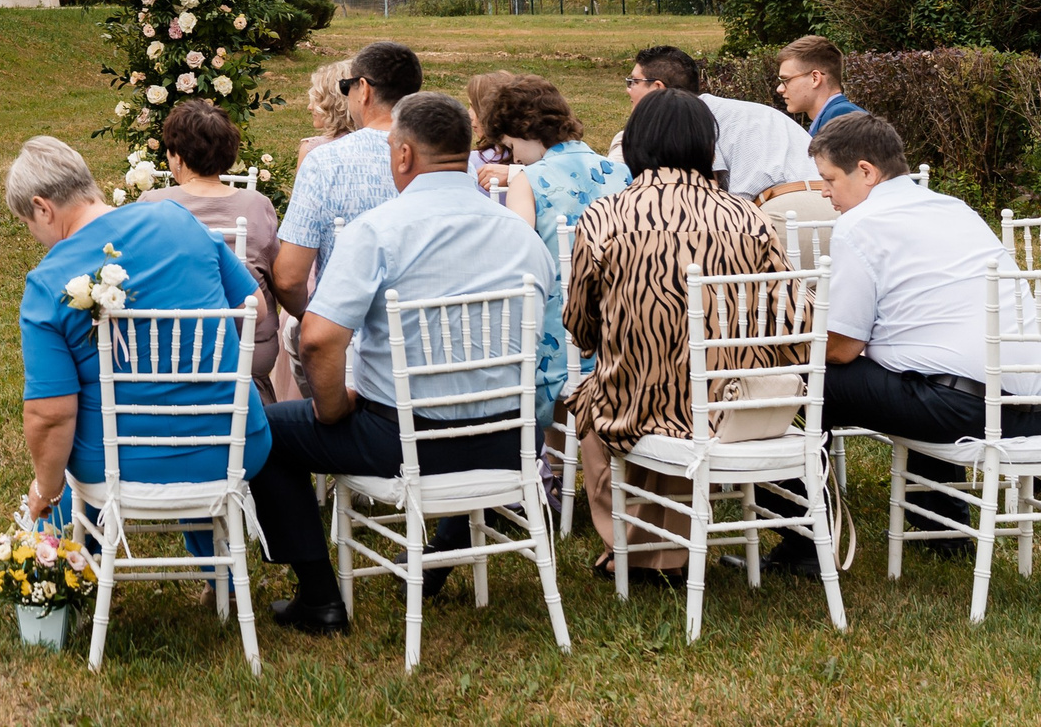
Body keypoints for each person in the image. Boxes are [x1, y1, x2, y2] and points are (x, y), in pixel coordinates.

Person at [248, 92, 554, 635]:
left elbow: (317, 339)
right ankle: (444, 549)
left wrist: (333, 408)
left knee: (262, 430)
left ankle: (319, 598)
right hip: (513, 441)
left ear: (404, 155)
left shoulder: (379, 230)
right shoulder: (521, 236)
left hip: (406, 444)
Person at [757, 113, 1041, 572]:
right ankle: (945, 531)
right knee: (918, 369)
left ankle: (805, 542)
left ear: (866, 171)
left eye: (829, 180)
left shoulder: (860, 224)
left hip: (961, 407)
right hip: (1028, 406)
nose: (825, 193)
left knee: (794, 383)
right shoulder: (954, 207)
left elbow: (842, 348)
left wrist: (779, 341)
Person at [563, 90, 795, 584]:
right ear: (706, 145)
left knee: (594, 397)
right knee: (674, 386)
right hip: (732, 406)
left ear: (635, 146)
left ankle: (639, 550)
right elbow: (791, 313)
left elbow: (580, 325)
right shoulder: (750, 216)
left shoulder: (605, 217)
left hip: (636, 404)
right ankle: (662, 549)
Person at [11, 136, 272, 519]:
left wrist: (46, 489)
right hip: (236, 445)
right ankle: (220, 575)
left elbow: (51, 415)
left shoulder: (48, 282)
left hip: (120, 463)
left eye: (27, 224)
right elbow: (256, 309)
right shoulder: (178, 218)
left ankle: (55, 564)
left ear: (42, 208)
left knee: (56, 495)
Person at [477, 77, 626, 418]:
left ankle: (553, 460)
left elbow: (517, 261)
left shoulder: (527, 180)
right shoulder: (623, 172)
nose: (513, 157)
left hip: (561, 339)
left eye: (511, 147)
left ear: (526, 131)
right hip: (622, 333)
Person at [622, 44, 832, 253]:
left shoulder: (690, 121)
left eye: (633, 82)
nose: (628, 90)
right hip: (832, 208)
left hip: (781, 217)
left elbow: (699, 196)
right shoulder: (739, 110)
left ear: (658, 88)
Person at [272, 39, 420, 319]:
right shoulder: (449, 159)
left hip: (349, 340)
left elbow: (289, 278)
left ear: (363, 89)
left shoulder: (324, 160)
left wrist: (310, 318)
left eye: (346, 87)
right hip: (434, 339)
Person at [154, 100, 282, 386]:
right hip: (246, 358)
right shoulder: (256, 205)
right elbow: (278, 277)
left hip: (171, 357)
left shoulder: (153, 204)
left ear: (177, 158)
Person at [778, 35, 863, 136]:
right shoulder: (829, 118)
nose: (780, 89)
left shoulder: (842, 117)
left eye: (786, 80)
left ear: (815, 78)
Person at [296, 58, 358, 161]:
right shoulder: (386, 143)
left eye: (317, 99)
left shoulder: (312, 149)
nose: (310, 107)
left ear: (335, 104)